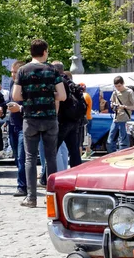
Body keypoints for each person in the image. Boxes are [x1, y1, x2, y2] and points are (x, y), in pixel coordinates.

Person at [12, 39, 66, 208]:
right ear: (44, 52)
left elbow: (16, 96)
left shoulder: (22, 70)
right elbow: (62, 96)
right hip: (49, 118)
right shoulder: (52, 70)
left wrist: (31, 96)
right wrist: (49, 95)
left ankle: (31, 197)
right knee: (50, 158)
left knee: (29, 158)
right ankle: (52, 198)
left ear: (31, 52)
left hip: (30, 119)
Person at [51, 61, 82, 168]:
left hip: (62, 120)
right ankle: (76, 173)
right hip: (74, 120)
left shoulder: (59, 82)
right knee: (74, 151)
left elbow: (58, 101)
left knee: (52, 150)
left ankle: (45, 178)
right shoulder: (69, 81)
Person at [8, 60, 27, 197]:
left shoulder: (27, 86)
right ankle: (22, 184)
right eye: (12, 72)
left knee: (22, 157)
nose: (12, 75)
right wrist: (2, 108)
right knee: (16, 157)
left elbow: (32, 106)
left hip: (24, 126)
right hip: (12, 124)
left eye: (15, 72)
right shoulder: (12, 84)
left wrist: (20, 108)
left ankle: (22, 186)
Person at [106, 76, 134, 153]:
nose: (118, 88)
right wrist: (113, 105)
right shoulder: (115, 93)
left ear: (123, 83)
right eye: (116, 86)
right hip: (116, 119)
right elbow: (111, 103)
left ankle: (122, 156)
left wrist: (123, 107)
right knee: (110, 141)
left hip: (125, 119)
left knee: (123, 142)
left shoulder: (129, 92)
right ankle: (112, 154)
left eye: (119, 86)